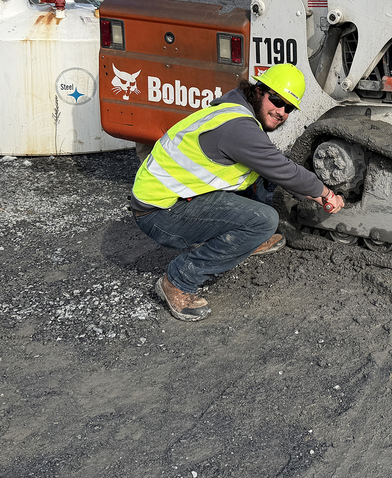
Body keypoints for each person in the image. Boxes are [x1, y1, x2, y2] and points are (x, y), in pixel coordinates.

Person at [129, 63, 345, 321]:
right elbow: (282, 169)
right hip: (159, 212)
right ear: (259, 91)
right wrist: (324, 192)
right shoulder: (239, 128)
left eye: (289, 107)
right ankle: (178, 280)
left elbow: (270, 167)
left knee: (262, 180)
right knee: (264, 221)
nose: (281, 111)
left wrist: (305, 190)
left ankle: (245, 240)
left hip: (172, 195)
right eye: (276, 100)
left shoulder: (237, 107)